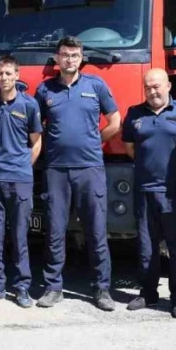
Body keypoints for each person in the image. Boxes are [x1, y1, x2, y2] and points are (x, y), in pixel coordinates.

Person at [33, 36, 122, 311]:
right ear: (57, 59)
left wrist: (95, 140)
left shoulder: (96, 85)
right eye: (64, 54)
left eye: (74, 54)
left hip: (90, 168)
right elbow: (35, 127)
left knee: (96, 231)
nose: (69, 59)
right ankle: (53, 287)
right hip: (56, 170)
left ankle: (102, 289)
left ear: (81, 57)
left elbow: (115, 121)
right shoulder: (45, 89)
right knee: (55, 231)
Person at [121, 69, 176, 319]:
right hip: (145, 190)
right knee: (146, 246)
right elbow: (130, 146)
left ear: (168, 86)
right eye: (148, 87)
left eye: (157, 86)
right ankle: (148, 292)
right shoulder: (135, 114)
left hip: (175, 193)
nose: (153, 91)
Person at [0, 54, 43, 307]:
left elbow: (36, 142)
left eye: (8, 73)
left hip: (20, 180)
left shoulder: (29, 105)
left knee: (19, 236)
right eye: (0, 73)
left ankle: (22, 287)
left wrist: (25, 166)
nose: (4, 78)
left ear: (17, 75)